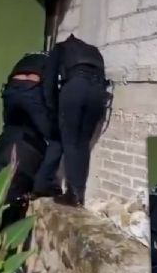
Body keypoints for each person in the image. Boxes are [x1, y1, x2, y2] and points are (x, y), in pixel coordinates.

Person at [0, 52, 54, 227]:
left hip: (12, 95)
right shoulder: (50, 62)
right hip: (33, 94)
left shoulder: (24, 61)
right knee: (53, 135)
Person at [34, 34, 109, 207]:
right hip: (99, 92)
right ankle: (74, 193)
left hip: (75, 88)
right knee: (81, 144)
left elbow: (49, 81)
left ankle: (73, 195)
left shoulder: (60, 48)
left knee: (70, 143)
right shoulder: (94, 50)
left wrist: (52, 109)